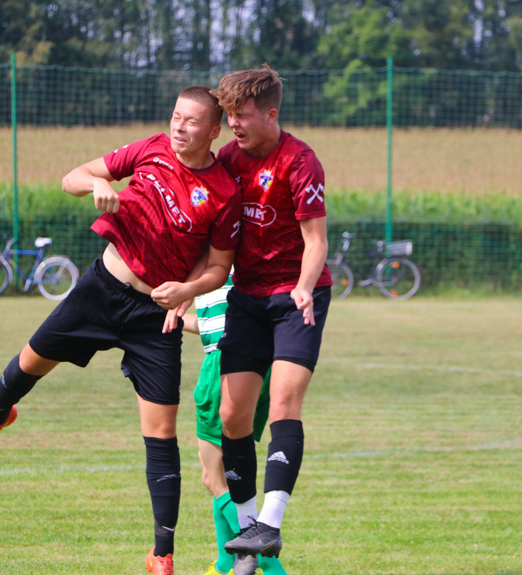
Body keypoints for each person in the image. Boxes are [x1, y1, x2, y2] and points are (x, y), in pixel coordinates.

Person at [0, 86, 242, 575]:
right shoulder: (149, 149)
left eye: (191, 121)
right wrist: (95, 185)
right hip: (101, 290)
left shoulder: (224, 192)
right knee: (31, 361)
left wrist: (187, 289)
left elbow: (219, 268)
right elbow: (72, 177)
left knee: (162, 433)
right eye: (175, 116)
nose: (178, 126)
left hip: (156, 315)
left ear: (213, 131)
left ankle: (162, 553)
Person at [210, 65, 332, 574]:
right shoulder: (228, 160)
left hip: (296, 299)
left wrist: (303, 288)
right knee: (232, 417)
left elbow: (316, 241)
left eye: (242, 115)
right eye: (229, 115)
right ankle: (246, 532)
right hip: (246, 298)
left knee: (282, 402)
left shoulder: (300, 162)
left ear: (271, 113)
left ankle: (272, 523)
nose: (233, 124)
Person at [179, 273, 287, 575]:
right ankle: (225, 562)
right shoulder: (238, 262)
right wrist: (173, 317)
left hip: (223, 365)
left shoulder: (211, 261)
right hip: (257, 366)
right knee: (228, 473)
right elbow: (211, 321)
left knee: (214, 477)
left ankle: (269, 563)